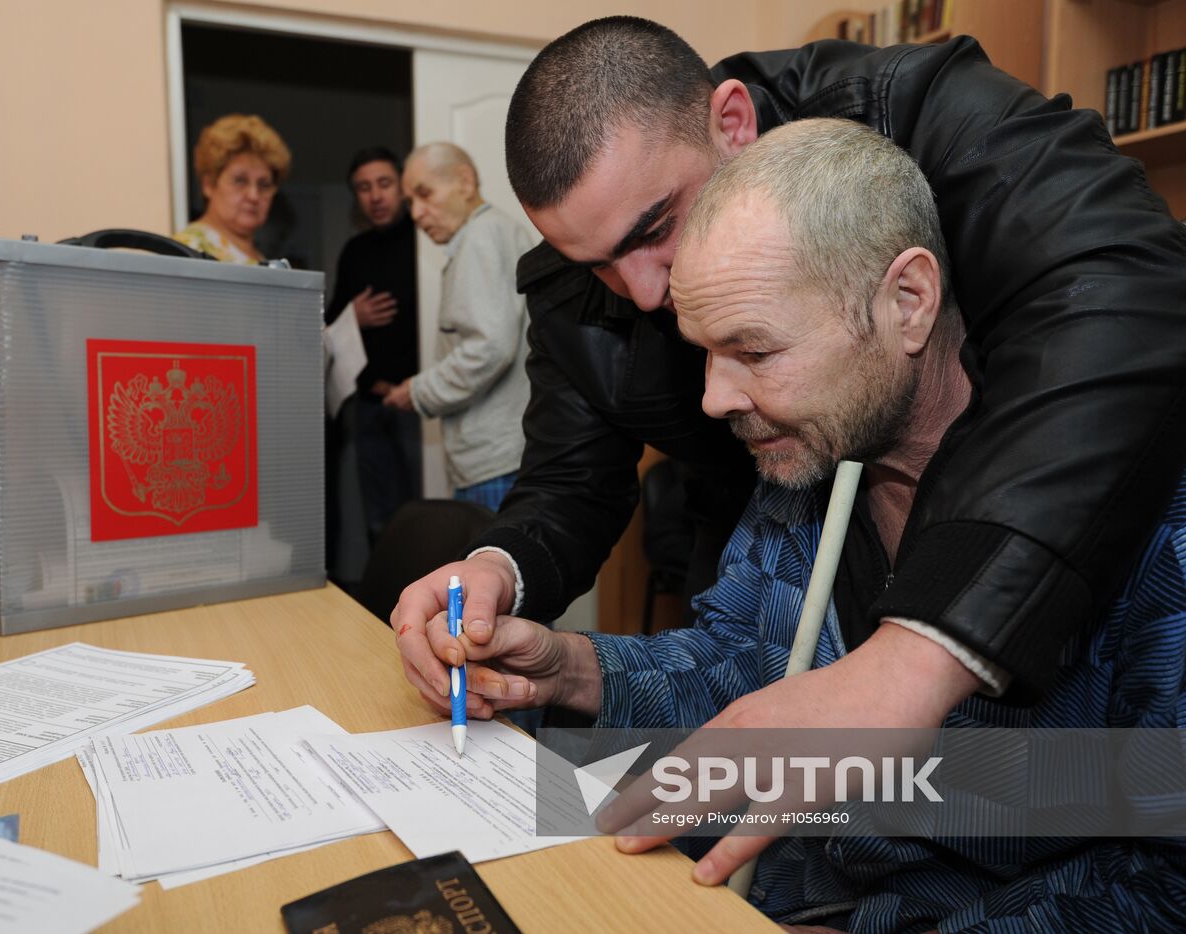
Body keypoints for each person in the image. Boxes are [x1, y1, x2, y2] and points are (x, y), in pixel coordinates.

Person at [407, 118, 1186, 929]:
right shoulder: (817, 456)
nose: (714, 400)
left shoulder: (1150, 526)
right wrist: (570, 670)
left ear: (908, 303)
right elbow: (745, 668)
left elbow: (1165, 880)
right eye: (704, 351)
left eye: (755, 350)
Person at [392, 19, 1186, 724]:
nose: (646, 294)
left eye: (660, 228)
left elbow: (1119, 289)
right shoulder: (793, 492)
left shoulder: (921, 116)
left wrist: (919, 654)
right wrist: (514, 594)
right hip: (786, 528)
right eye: (596, 264)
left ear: (733, 124)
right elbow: (742, 669)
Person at [382, 143, 534, 512]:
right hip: (499, 458)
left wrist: (418, 391)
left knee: (491, 567)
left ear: (465, 182)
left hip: (495, 463)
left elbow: (490, 347)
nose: (416, 213)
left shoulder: (482, 237)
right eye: (410, 202)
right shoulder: (490, 232)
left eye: (425, 194)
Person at [326, 148, 421, 541]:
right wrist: (354, 316)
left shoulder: (425, 241)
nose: (375, 196)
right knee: (380, 524)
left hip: (418, 405)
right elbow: (329, 325)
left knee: (426, 518)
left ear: (402, 186)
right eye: (363, 188)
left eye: (384, 184)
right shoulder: (355, 251)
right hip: (367, 406)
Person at [175, 114, 291, 264]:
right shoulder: (187, 251)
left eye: (264, 185)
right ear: (209, 184)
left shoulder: (262, 259)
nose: (253, 196)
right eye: (240, 180)